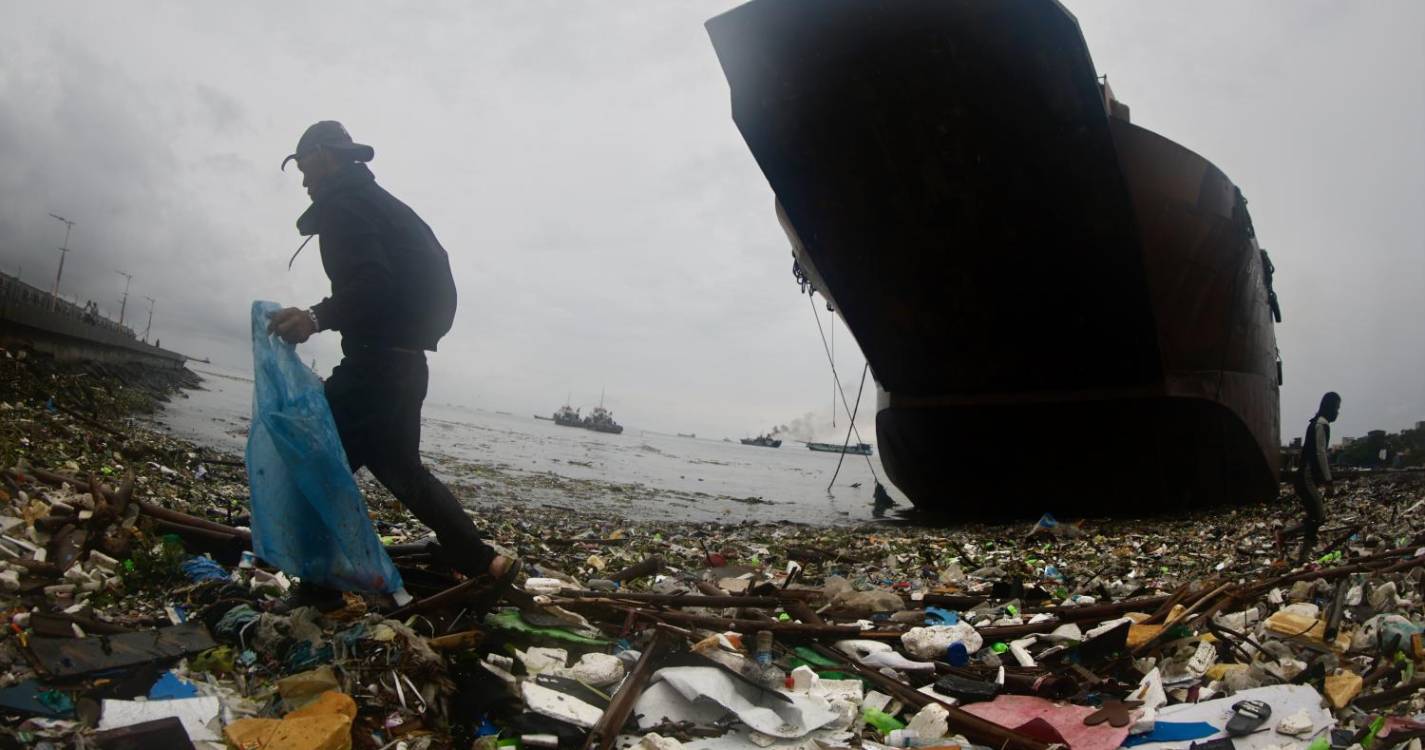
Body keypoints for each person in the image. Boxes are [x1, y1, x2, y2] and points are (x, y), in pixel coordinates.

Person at [267, 121, 518, 594]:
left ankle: (318, 592)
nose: (303, 180)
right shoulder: (380, 205)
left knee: (316, 464)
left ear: (324, 155)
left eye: (303, 166)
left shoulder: (345, 207)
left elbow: (372, 285)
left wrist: (316, 317)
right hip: (405, 366)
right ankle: (485, 563)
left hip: (374, 369)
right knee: (402, 471)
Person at [1279, 392, 1342, 563]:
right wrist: (1329, 481)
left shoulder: (1315, 424)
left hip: (1304, 478)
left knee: (1314, 516)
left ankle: (1299, 550)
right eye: (1336, 408)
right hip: (1305, 479)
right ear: (1329, 408)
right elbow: (1321, 453)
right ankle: (1299, 552)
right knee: (1318, 516)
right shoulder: (1321, 425)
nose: (1337, 412)